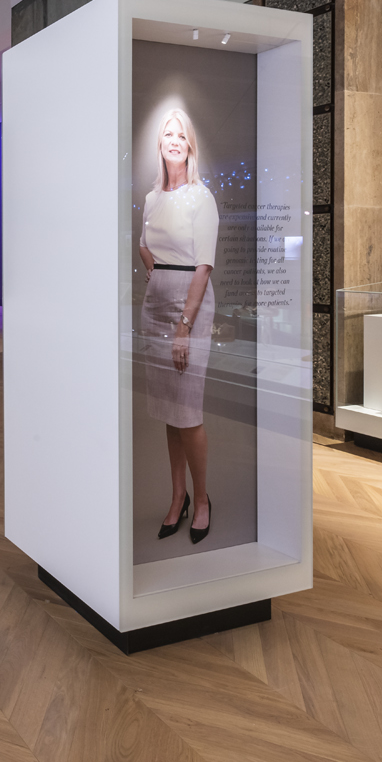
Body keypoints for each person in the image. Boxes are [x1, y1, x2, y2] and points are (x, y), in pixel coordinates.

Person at [137, 107, 219, 544]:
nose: (174, 140)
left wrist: (184, 326)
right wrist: (156, 272)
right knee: (170, 412)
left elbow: (203, 267)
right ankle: (177, 497)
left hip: (190, 310)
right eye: (168, 134)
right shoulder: (152, 199)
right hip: (155, 310)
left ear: (190, 146)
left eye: (181, 135)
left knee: (188, 413)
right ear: (160, 144)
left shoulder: (201, 198)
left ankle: (202, 500)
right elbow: (144, 245)